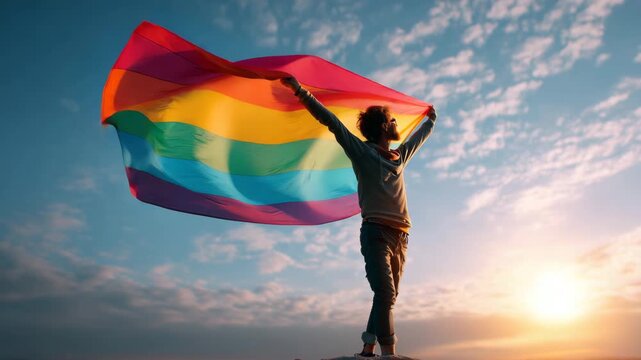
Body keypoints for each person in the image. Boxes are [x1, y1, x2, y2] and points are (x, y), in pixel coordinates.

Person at [281, 77, 437, 358]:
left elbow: (418, 140)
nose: (396, 124)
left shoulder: (398, 157)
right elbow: (331, 122)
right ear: (382, 126)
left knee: (385, 297)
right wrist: (300, 90)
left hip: (401, 236)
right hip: (375, 232)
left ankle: (367, 348)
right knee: (386, 295)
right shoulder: (361, 152)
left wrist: (430, 122)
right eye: (391, 120)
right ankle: (389, 353)